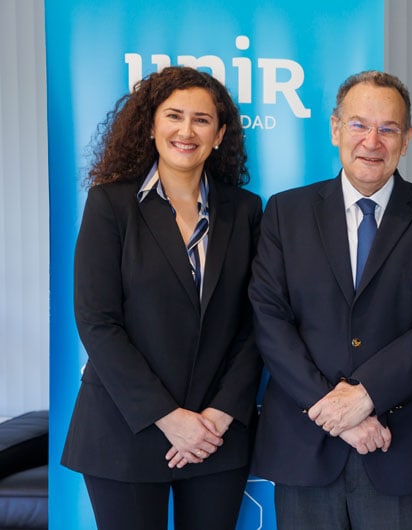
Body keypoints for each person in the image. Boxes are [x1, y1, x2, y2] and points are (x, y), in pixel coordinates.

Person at [249, 70, 412, 530]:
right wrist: (332, 410)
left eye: (388, 128)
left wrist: (367, 394)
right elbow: (269, 318)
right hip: (306, 446)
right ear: (335, 129)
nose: (372, 141)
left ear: (406, 139)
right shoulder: (285, 212)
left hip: (406, 447)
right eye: (359, 124)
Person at [61, 66, 263, 530]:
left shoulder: (246, 212)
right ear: (151, 125)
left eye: (202, 119)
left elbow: (258, 323)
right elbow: (97, 321)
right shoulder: (110, 204)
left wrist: (216, 415)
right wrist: (168, 417)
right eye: (174, 116)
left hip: (216, 433)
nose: (186, 131)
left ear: (220, 134)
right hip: (124, 429)